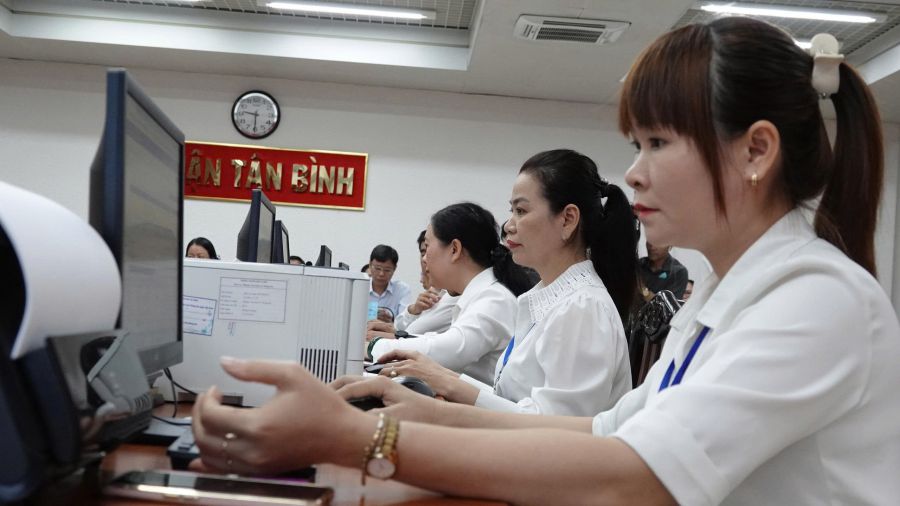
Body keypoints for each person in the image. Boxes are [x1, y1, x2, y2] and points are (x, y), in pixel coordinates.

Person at [191, 17, 900, 505]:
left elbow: (633, 477)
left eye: (657, 143)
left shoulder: (815, 299)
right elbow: (610, 431)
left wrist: (361, 437)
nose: (635, 173)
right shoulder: (726, 293)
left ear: (756, 151)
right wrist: (422, 415)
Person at [369, 149, 638, 417]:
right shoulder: (550, 298)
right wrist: (440, 375)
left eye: (521, 210)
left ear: (567, 219)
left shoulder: (582, 308)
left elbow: (556, 429)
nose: (508, 225)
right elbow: (510, 399)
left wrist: (450, 383)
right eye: (512, 211)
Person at [367, 202, 533, 384]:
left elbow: (448, 349)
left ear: (454, 249)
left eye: (427, 248)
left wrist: (372, 346)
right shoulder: (479, 293)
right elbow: (438, 340)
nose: (424, 259)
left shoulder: (495, 299)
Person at [376, 230, 458, 337]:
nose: (425, 259)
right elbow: (400, 327)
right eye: (423, 253)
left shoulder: (454, 296)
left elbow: (410, 333)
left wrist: (390, 334)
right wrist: (414, 310)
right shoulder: (432, 294)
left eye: (387, 270)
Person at [367, 244, 411, 322]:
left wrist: (391, 322)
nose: (381, 274)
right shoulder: (360, 288)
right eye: (377, 268)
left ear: (394, 269)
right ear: (370, 265)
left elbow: (404, 322)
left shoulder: (402, 290)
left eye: (387, 270)